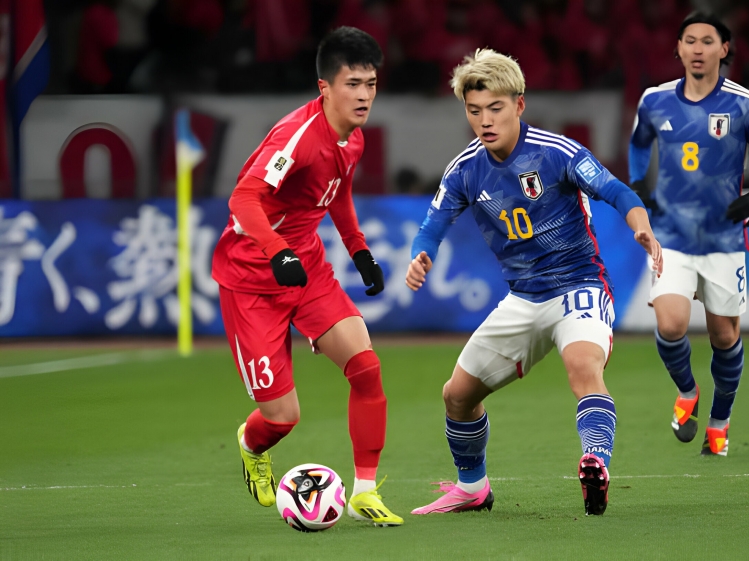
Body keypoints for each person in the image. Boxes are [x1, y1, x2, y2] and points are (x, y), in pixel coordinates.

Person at [405, 49, 663, 517]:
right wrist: (421, 255)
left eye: (495, 108)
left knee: (584, 369)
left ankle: (595, 462)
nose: (485, 120)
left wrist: (640, 225)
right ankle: (472, 488)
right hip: (523, 298)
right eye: (474, 110)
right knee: (457, 396)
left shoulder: (556, 152)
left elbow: (616, 190)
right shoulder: (464, 169)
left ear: (519, 104)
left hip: (579, 286)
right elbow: (432, 226)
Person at [210, 27, 402, 527]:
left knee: (366, 367)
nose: (364, 95)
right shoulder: (296, 138)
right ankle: (252, 445)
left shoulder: (353, 138)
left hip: (307, 269)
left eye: (371, 84)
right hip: (252, 279)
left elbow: (337, 192)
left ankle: (364, 493)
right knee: (282, 418)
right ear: (325, 87)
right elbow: (243, 199)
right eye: (353, 84)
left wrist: (359, 251)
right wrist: (276, 251)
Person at [628, 12, 749, 456]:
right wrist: (639, 185)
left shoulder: (745, 104)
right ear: (678, 49)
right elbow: (639, 143)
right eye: (690, 40)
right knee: (670, 324)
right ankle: (687, 391)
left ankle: (719, 423)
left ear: (724, 49)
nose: (697, 49)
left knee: (724, 337)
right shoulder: (655, 100)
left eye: (707, 41)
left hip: (723, 239)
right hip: (671, 235)